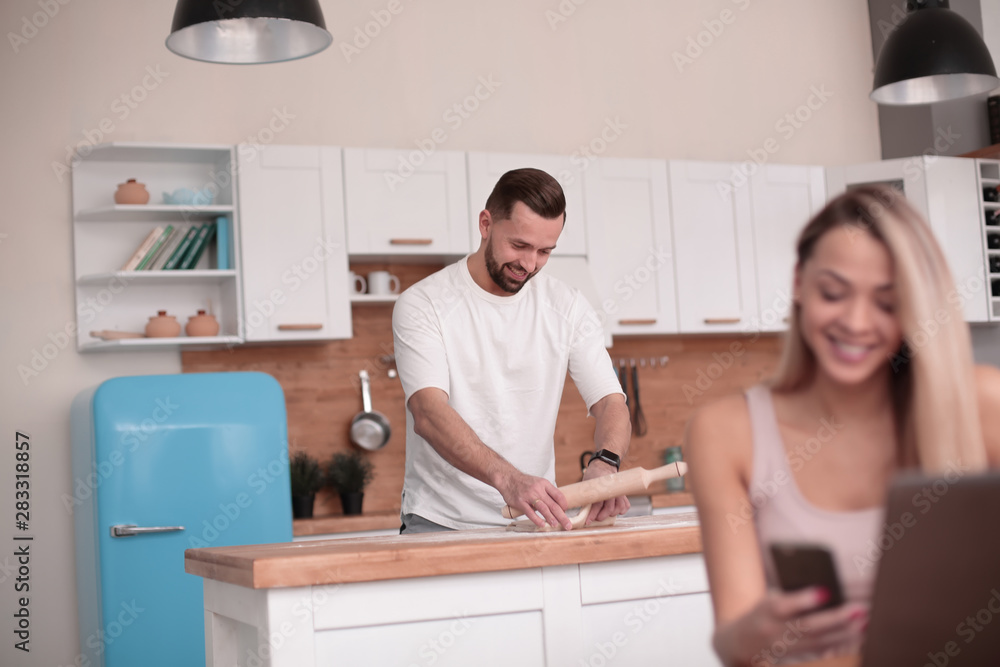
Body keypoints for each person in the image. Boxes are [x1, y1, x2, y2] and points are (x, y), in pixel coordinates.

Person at [684, 185, 1000, 665]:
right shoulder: (726, 432)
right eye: (834, 292)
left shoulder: (982, 402)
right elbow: (731, 641)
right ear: (799, 282)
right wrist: (758, 631)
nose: (856, 321)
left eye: (887, 303)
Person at [392, 167, 631, 533]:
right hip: (441, 522)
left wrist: (606, 463)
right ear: (486, 224)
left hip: (533, 522)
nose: (529, 264)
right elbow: (428, 412)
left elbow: (610, 401)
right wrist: (510, 480)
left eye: (545, 251)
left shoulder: (567, 306)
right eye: (519, 245)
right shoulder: (424, 304)